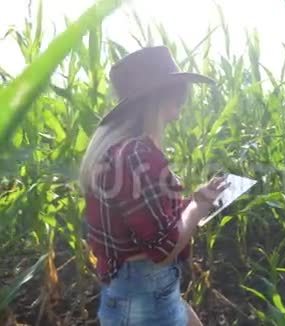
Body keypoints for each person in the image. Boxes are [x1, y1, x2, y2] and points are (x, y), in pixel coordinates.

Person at [79, 46, 226, 325]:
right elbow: (162, 249)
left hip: (140, 288)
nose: (184, 97)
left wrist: (194, 200)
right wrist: (198, 208)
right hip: (143, 291)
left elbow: (142, 221)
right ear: (160, 96)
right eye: (179, 90)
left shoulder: (119, 150)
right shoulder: (136, 155)